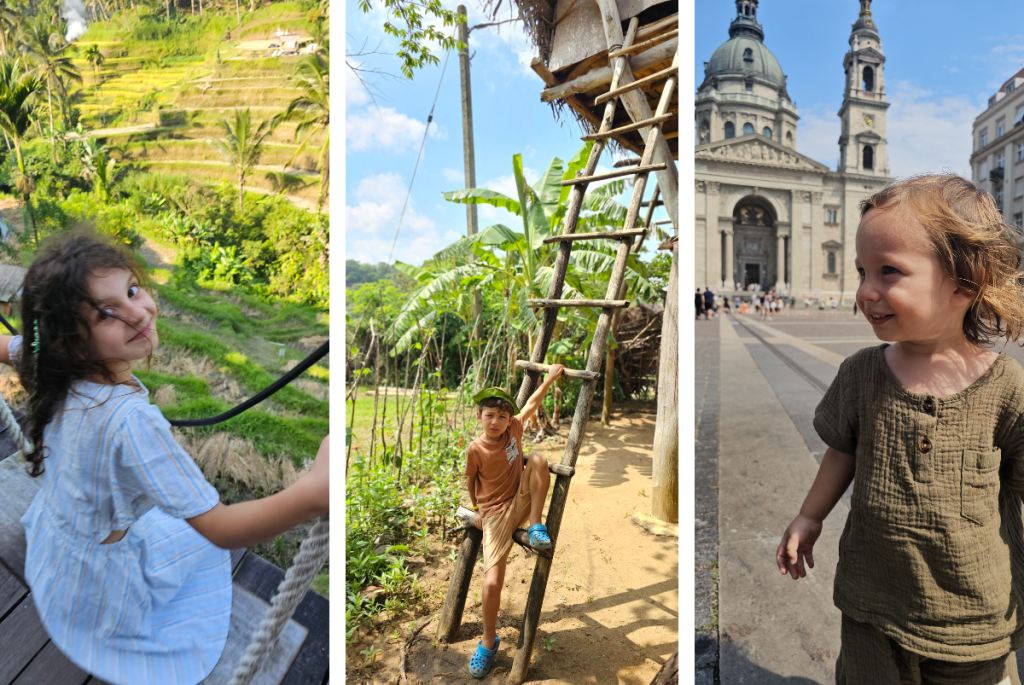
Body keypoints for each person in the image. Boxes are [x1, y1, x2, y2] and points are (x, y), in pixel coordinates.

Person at [6, 233, 330, 685]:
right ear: (74, 345)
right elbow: (222, 529)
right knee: (193, 541)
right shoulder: (131, 425)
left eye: (132, 290)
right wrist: (314, 492)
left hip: (60, 541)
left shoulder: (49, 361)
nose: (136, 311)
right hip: (100, 578)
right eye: (106, 314)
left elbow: (14, 348)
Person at [775, 174, 1024, 684]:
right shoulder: (862, 372)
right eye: (862, 271)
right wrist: (809, 515)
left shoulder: (1006, 387)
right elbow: (842, 451)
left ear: (966, 281)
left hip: (970, 619)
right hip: (873, 604)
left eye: (889, 271)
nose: (866, 291)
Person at [464, 369, 563, 677]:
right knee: (492, 580)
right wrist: (476, 509)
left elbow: (532, 403)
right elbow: (470, 481)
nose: (496, 422)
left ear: (510, 420)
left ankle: (536, 525)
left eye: (502, 417)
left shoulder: (514, 430)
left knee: (538, 460)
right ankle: (488, 642)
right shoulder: (475, 449)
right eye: (489, 415)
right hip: (493, 514)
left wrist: (548, 378)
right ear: (480, 416)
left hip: (519, 501)